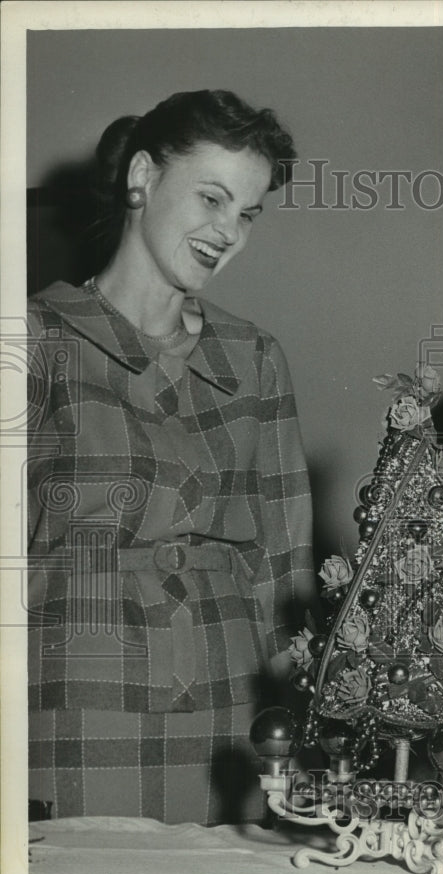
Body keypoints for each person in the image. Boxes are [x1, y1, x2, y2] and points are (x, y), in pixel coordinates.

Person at [27, 90, 314, 825]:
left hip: (232, 696)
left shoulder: (254, 357)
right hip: (79, 689)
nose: (229, 233)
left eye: (247, 214)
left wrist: (309, 723)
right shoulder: (33, 339)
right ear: (144, 176)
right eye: (212, 198)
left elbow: (284, 567)